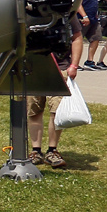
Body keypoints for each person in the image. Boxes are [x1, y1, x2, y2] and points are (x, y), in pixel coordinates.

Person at [28, 13, 84, 168]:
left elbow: (77, 37)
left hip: (60, 68)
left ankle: (52, 151)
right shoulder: (28, 12)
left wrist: (73, 65)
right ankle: (35, 151)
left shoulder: (66, 13)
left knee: (57, 112)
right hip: (34, 68)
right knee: (34, 111)